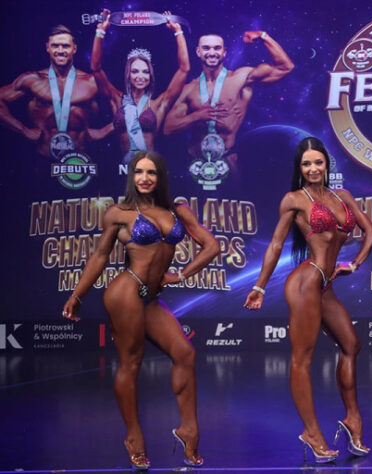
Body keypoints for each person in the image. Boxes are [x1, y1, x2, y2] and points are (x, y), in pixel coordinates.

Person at [61, 151, 220, 470]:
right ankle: (133, 437)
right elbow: (100, 255)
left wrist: (181, 275)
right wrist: (77, 294)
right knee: (131, 362)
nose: (144, 178)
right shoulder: (119, 213)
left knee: (185, 354)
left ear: (160, 177)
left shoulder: (177, 211)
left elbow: (212, 246)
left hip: (150, 298)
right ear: (131, 176)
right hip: (126, 291)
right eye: (138, 172)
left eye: (151, 172)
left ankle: (188, 430)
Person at [244, 137, 372, 463]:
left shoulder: (342, 196)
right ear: (300, 168)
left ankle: (353, 419)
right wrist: (260, 286)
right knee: (302, 358)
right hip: (306, 281)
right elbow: (276, 245)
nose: (313, 169)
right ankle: (311, 432)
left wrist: (355, 264)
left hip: (325, 285)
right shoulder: (294, 199)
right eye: (306, 164)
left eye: (318, 162)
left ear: (326, 164)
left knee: (351, 345)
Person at [163, 30, 294, 172]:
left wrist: (263, 36)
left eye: (217, 48)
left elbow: (285, 67)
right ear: (198, 52)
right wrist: (196, 116)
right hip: (195, 162)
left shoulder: (241, 78)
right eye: (206, 48)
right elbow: (168, 129)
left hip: (227, 159)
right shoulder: (188, 89)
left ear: (224, 52)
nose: (212, 53)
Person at [91, 9, 189, 162]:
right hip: (123, 167)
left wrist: (178, 32)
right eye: (135, 71)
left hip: (149, 165)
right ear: (128, 74)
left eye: (145, 72)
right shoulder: (116, 99)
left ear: (150, 76)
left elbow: (184, 69)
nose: (140, 76)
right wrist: (100, 32)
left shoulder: (159, 104)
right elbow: (96, 68)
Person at [0, 25, 109, 158]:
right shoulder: (33, 80)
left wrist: (104, 131)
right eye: (55, 46)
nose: (60, 50)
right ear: (48, 48)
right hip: (42, 157)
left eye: (65, 46)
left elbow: (124, 104)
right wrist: (23, 130)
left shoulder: (91, 82)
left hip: (79, 161)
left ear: (74, 49)